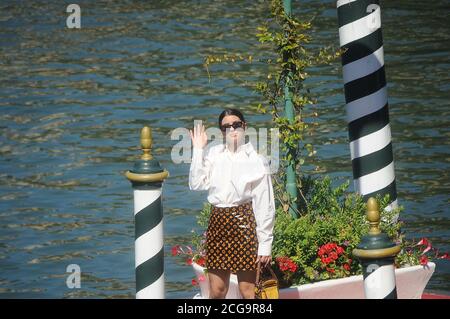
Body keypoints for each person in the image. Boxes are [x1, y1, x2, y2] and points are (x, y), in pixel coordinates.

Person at [188, 108, 276, 299]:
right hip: (218, 223)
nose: (232, 129)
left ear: (244, 126)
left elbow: (265, 204)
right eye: (227, 127)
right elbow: (196, 183)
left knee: (248, 292)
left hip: (244, 224)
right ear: (222, 131)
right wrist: (198, 149)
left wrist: (265, 245)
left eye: (236, 124)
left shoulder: (256, 160)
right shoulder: (214, 154)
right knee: (217, 291)